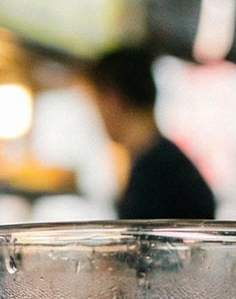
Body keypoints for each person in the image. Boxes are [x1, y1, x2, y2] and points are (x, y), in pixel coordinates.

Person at [89, 46, 216, 221]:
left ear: (112, 98)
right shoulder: (169, 162)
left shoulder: (153, 173)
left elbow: (138, 245)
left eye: (96, 103)